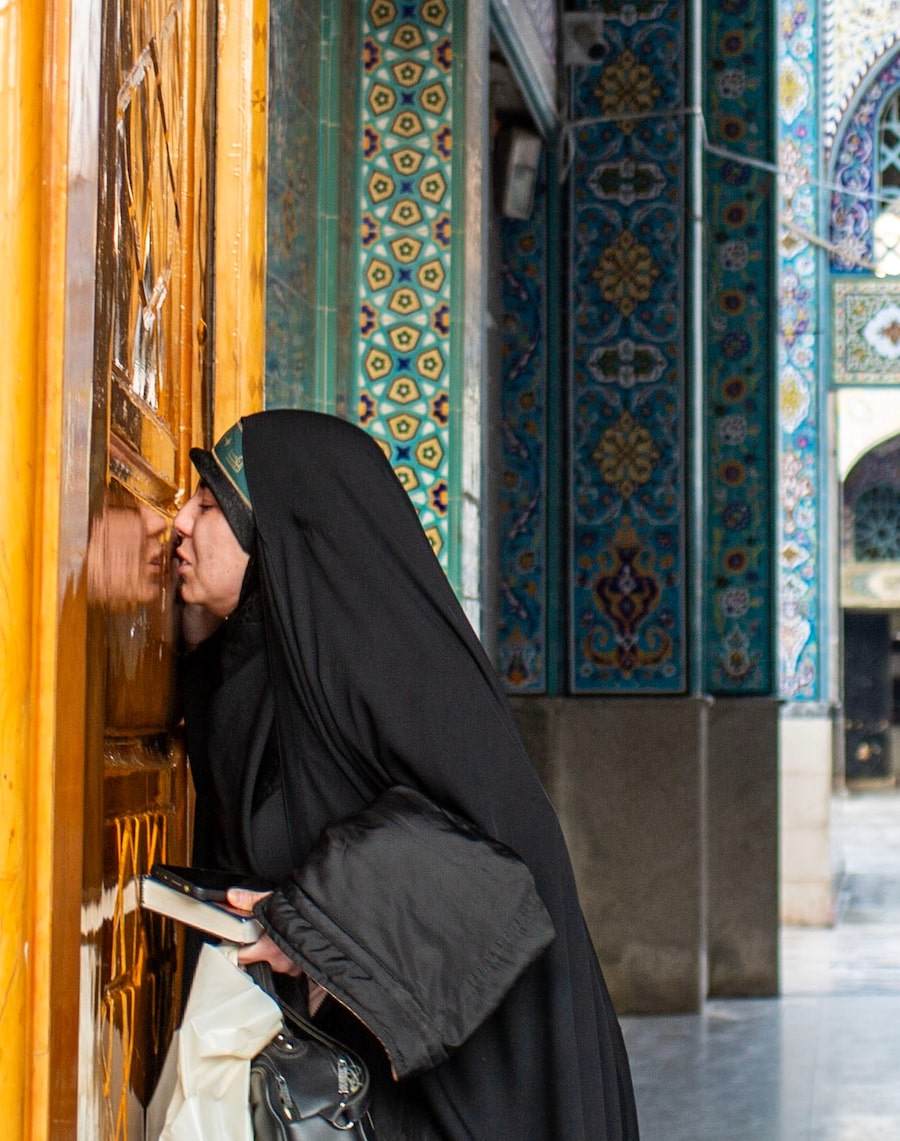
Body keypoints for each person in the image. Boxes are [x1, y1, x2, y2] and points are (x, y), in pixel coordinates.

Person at [173, 409, 639, 1140]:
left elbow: (492, 858)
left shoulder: (397, 673)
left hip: (480, 1098)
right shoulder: (284, 675)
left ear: (285, 530)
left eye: (205, 504)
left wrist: (312, 924)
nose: (178, 522)